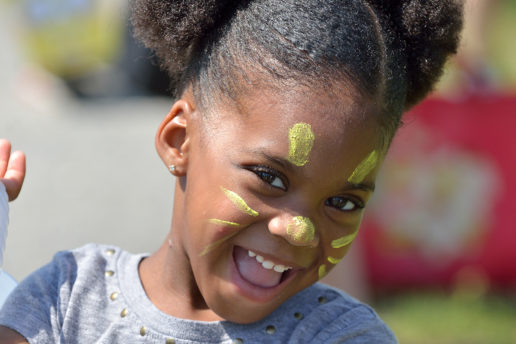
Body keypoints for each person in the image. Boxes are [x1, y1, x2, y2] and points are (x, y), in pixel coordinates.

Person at [0, 0, 463, 342]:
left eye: (342, 202)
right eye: (271, 177)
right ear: (179, 140)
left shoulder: (341, 336)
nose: (299, 230)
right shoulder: (66, 300)